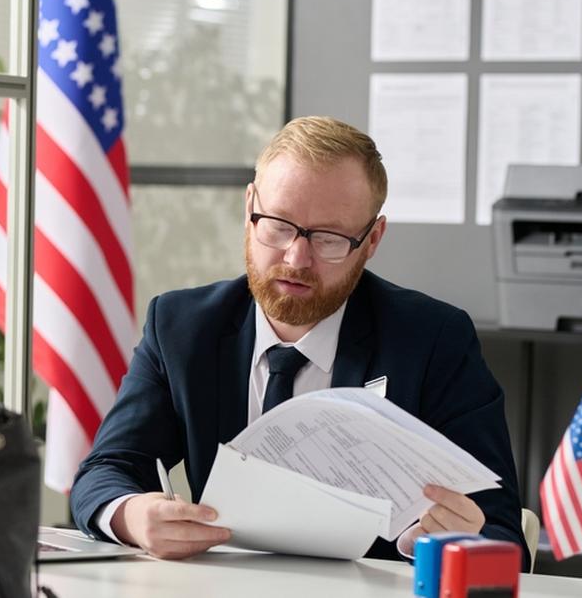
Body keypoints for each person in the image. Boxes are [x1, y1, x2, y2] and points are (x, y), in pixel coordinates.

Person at [69, 116, 527, 567]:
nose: (296, 257)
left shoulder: (433, 341)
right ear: (249, 208)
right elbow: (105, 472)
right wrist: (132, 515)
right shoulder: (182, 327)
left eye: (329, 238)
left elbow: (500, 529)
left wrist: (444, 541)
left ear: (372, 240)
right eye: (278, 225)